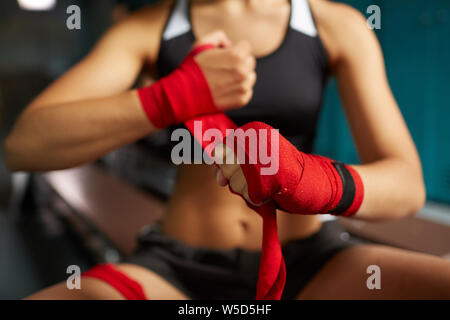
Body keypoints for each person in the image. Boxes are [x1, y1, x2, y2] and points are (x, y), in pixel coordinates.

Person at [5, 0, 450, 300]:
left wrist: (310, 179)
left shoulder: (334, 24)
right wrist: (174, 95)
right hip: (175, 272)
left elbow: (407, 184)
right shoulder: (152, 26)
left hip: (314, 266)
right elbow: (25, 145)